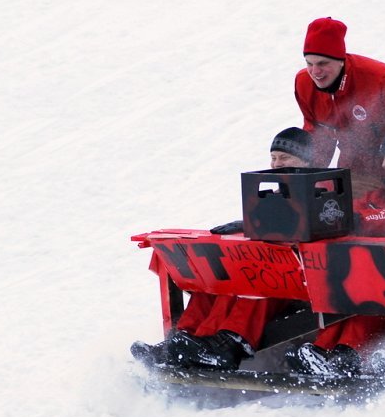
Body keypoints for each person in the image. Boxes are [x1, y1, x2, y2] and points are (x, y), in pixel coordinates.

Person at [130, 128, 316, 369]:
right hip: (277, 272)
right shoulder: (271, 197)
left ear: (305, 161)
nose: (276, 164)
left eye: (284, 158)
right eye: (273, 158)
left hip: (303, 281)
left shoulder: (320, 193)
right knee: (216, 279)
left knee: (257, 282)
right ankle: (185, 339)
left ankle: (226, 344)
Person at [284, 123, 385, 376]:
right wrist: (310, 219)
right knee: (348, 283)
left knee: (372, 288)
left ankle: (346, 353)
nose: (384, 164)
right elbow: (354, 209)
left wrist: (361, 219)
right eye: (383, 157)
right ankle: (326, 350)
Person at [295, 17, 385, 198]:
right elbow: (318, 138)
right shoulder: (304, 84)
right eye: (310, 63)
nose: (315, 72)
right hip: (353, 173)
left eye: (323, 63)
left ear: (341, 60)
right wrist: (301, 181)